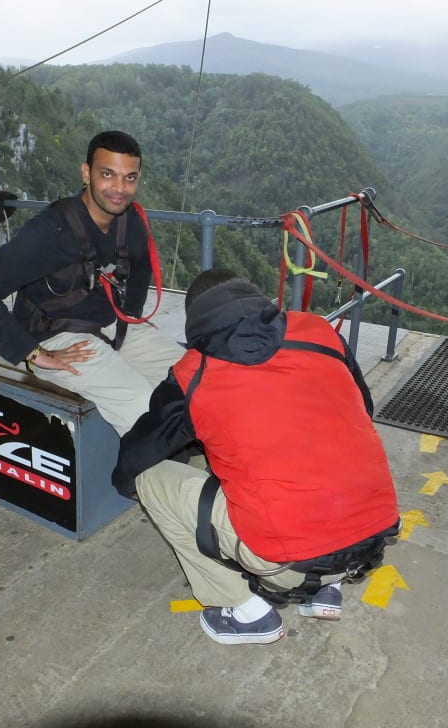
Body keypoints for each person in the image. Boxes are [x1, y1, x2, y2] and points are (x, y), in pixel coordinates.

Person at [112, 268, 400, 645]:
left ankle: (244, 611)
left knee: (150, 480)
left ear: (195, 323)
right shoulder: (319, 331)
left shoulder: (192, 372)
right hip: (372, 537)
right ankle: (326, 589)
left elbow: (141, 451)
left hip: (289, 562)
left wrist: (124, 483)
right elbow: (363, 406)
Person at [0, 130, 184, 436]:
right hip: (55, 337)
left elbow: (141, 268)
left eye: (129, 178)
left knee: (193, 377)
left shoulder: (130, 223)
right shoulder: (52, 231)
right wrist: (34, 354)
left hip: (110, 325)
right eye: (108, 175)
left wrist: (129, 317)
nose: (120, 188)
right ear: (86, 173)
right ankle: (138, 479)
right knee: (142, 406)